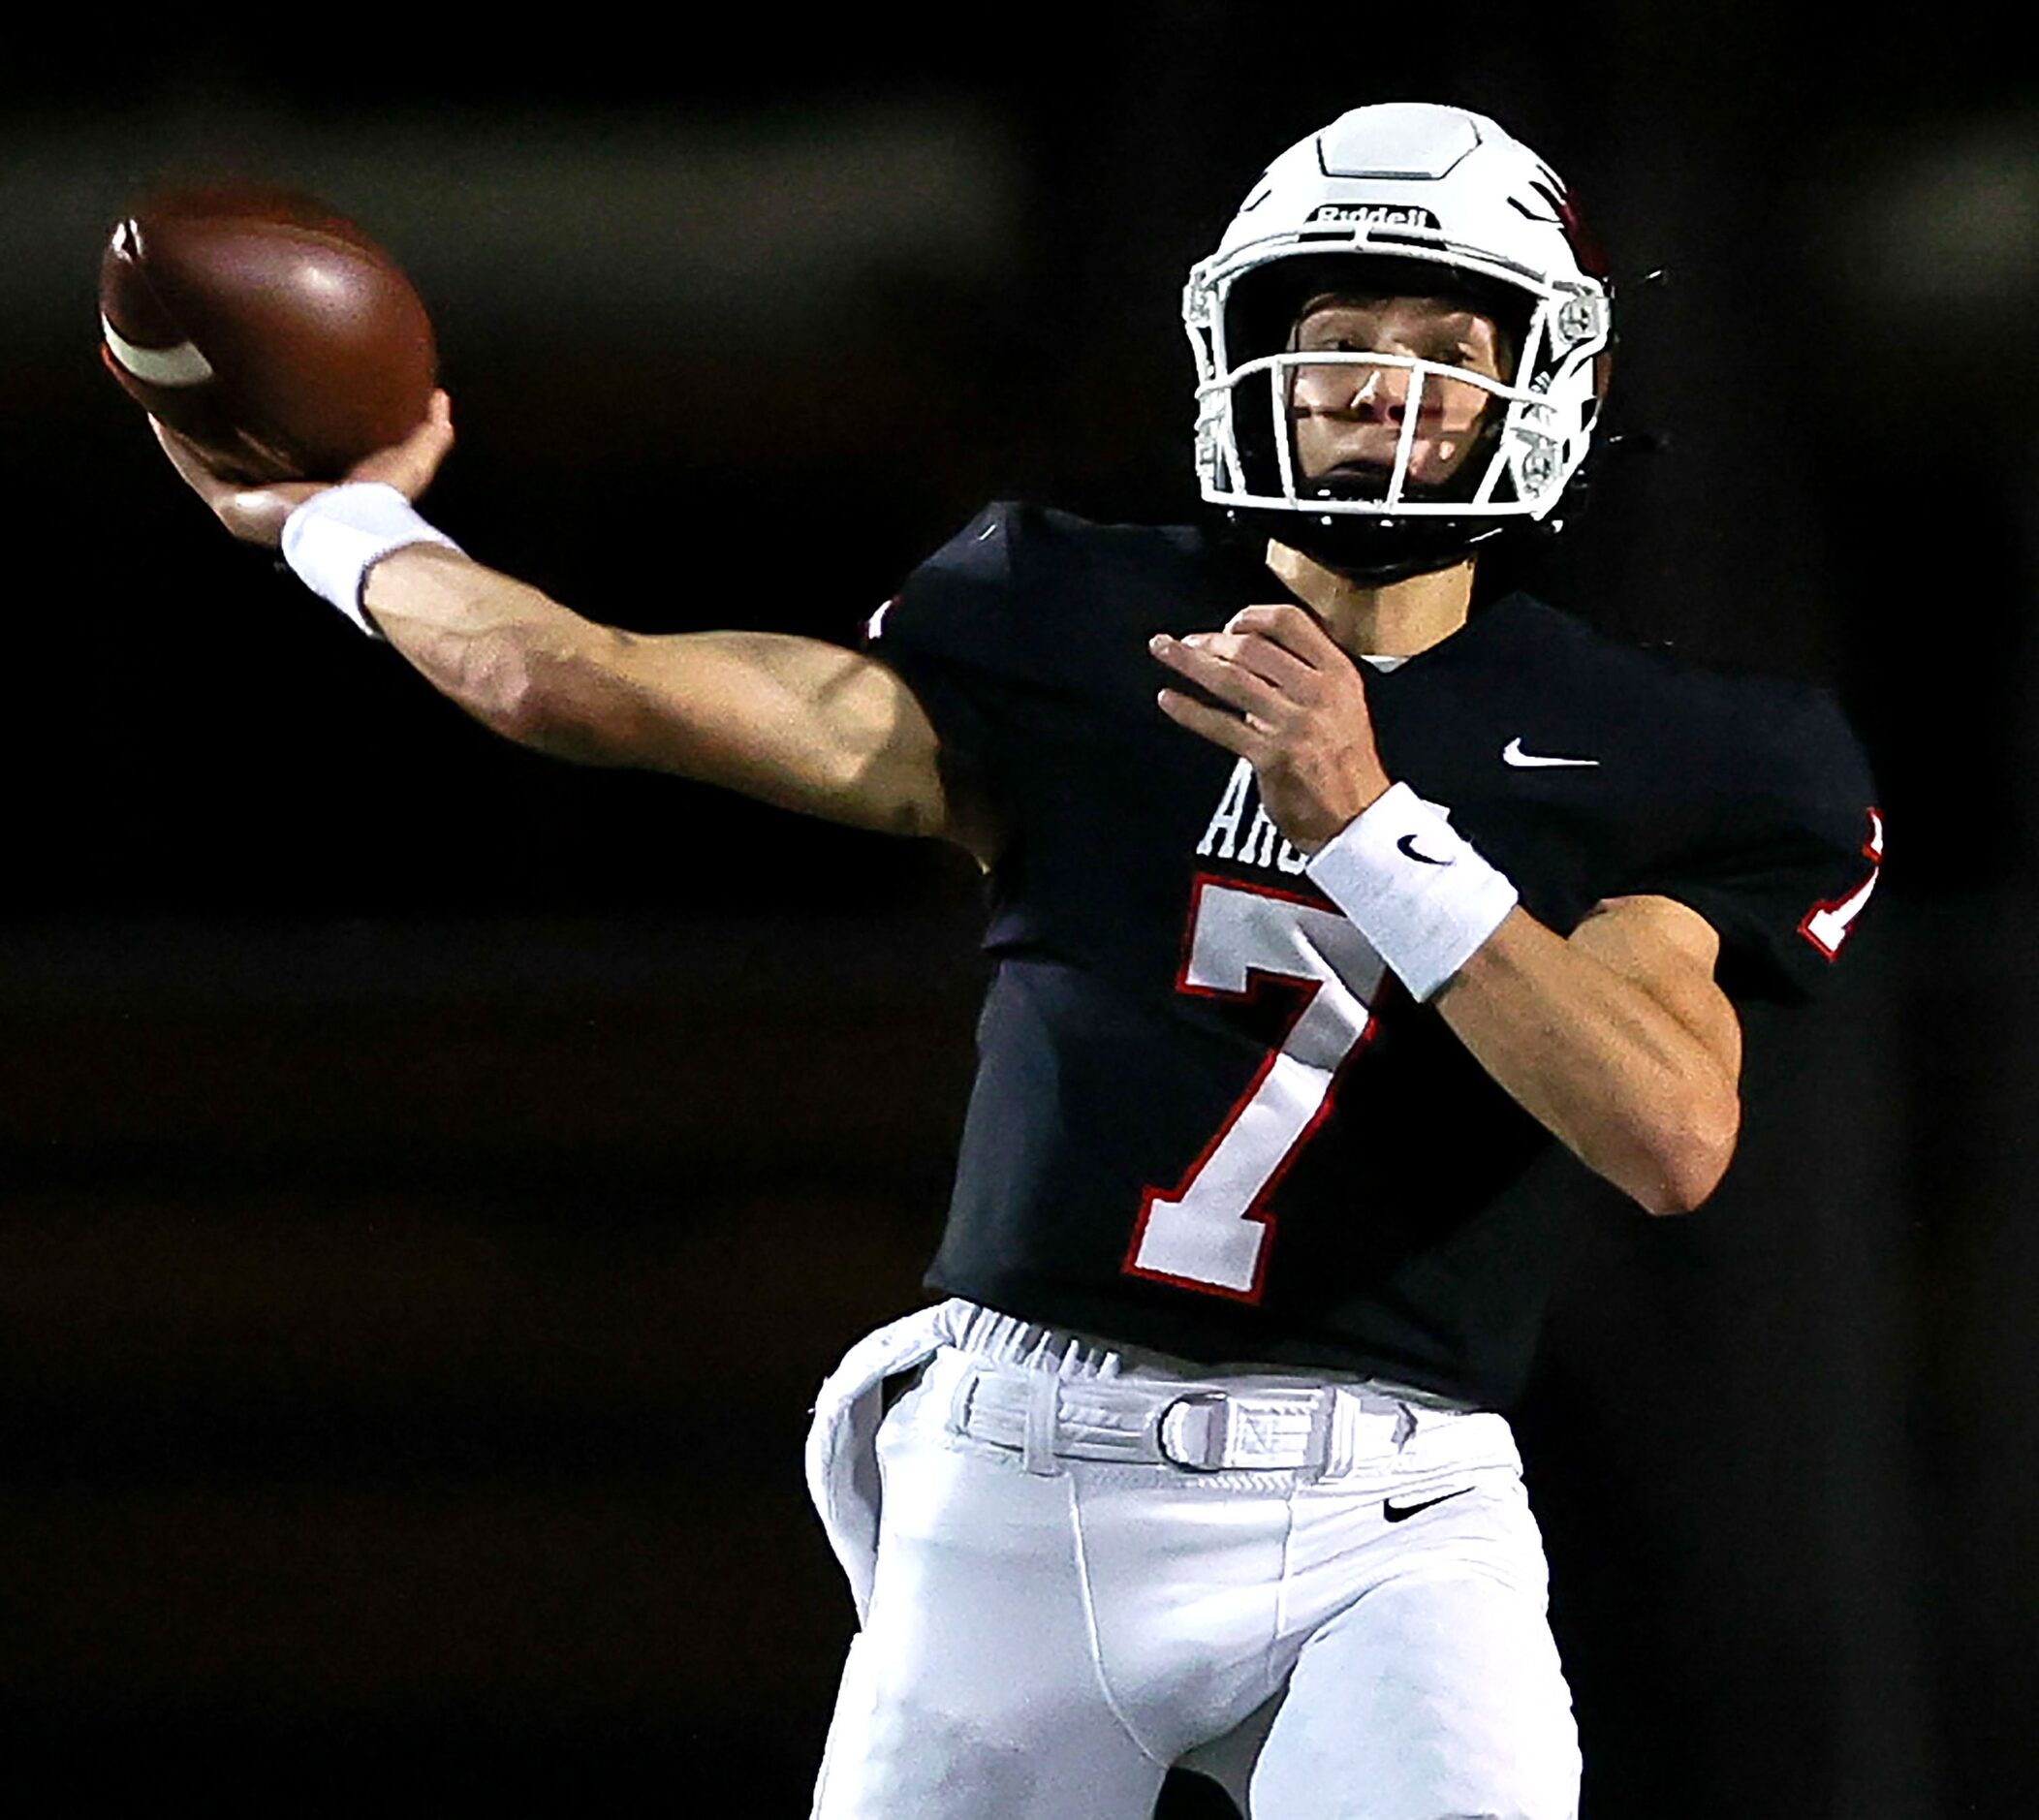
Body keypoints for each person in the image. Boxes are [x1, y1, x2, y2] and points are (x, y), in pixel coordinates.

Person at [156, 102, 1881, 1820]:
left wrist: (1375, 828)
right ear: (1239, 356)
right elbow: (580, 682)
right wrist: (339, 526)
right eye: (1335, 334)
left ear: (1549, 380)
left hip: (1397, 1516)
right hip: (1026, 1477)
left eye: (1447, 342)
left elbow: (1669, 1134)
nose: (1380, 382)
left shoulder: (1667, 745)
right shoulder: (1069, 620)